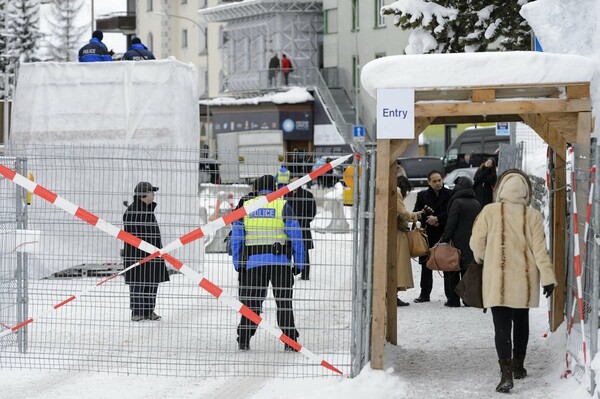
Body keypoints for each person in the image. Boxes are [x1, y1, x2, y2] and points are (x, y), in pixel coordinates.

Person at [470, 169, 557, 393]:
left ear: (501, 191)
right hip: (524, 281)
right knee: (521, 321)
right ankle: (519, 366)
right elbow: (540, 250)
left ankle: (505, 374)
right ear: (526, 192)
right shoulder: (533, 215)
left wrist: (481, 257)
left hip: (496, 279)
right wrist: (547, 278)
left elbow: (477, 243)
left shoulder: (489, 211)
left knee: (501, 325)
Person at [230, 174, 305, 351]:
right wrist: (299, 263)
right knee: (284, 303)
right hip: (281, 264)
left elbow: (237, 237)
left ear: (256, 189)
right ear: (275, 187)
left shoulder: (247, 206)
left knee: (252, 303)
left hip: (254, 264)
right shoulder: (282, 205)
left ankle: (244, 338)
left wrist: (238, 262)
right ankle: (290, 341)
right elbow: (296, 236)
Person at [123, 182, 170, 321]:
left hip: (153, 254)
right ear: (143, 194)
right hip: (137, 255)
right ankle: (137, 312)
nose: (153, 195)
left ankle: (149, 310)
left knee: (152, 282)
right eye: (151, 192)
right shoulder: (132, 211)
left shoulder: (148, 210)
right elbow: (134, 236)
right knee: (138, 283)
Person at [439, 176, 481, 307]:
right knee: (467, 271)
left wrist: (444, 239)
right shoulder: (476, 203)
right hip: (471, 241)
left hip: (456, 242)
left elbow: (451, 223)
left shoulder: (457, 202)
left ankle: (453, 299)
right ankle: (467, 299)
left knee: (452, 270)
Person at [412, 170, 452, 303]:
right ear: (429, 182)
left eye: (439, 180)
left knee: (447, 264)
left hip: (443, 233)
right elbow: (416, 212)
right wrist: (427, 217)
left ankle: (450, 295)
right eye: (434, 181)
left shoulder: (449, 194)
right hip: (427, 234)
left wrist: (438, 218)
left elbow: (451, 213)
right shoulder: (422, 195)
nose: (438, 183)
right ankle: (425, 294)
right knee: (425, 264)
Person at [395, 176, 423, 306]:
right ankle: (393, 294)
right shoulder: (396, 191)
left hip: (392, 232)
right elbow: (402, 213)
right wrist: (414, 216)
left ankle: (392, 294)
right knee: (398, 265)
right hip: (396, 234)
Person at [285, 177, 317, 280]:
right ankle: (288, 272)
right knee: (288, 249)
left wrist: (303, 222)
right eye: (291, 182)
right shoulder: (286, 195)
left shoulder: (307, 195)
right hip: (288, 227)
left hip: (302, 227)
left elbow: (312, 212)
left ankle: (305, 274)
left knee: (304, 250)